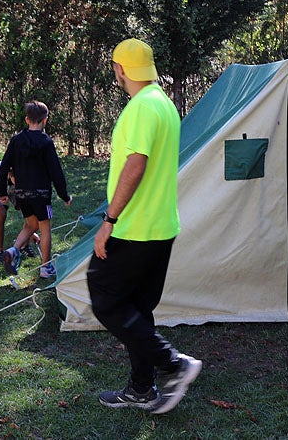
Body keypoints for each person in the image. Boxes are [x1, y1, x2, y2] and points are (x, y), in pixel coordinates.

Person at [87, 38, 201, 414]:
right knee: (138, 308)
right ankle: (142, 389)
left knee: (103, 295)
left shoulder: (140, 107)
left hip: (134, 229)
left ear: (120, 70)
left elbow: (135, 165)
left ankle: (174, 365)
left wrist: (109, 221)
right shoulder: (165, 105)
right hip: (162, 227)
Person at [0, 100, 72, 278]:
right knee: (45, 229)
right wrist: (64, 195)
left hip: (22, 194)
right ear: (45, 120)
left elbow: (4, 167)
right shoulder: (46, 142)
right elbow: (56, 172)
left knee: (31, 224)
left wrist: (2, 191)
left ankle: (13, 250)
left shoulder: (16, 140)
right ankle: (46, 267)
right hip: (41, 195)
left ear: (26, 119)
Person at [0, 162, 39, 266]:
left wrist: (31, 231)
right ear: (10, 175)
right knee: (1, 212)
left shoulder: (24, 173)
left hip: (14, 189)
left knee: (30, 211)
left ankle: (24, 245)